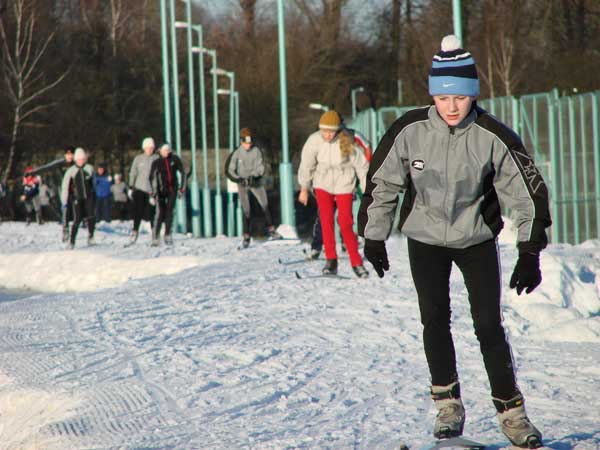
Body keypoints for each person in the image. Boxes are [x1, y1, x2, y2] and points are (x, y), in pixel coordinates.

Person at [358, 35, 551, 448]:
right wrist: (374, 237)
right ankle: (448, 406)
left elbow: (526, 192)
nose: (451, 105)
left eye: (460, 97)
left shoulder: (492, 135)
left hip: (475, 238)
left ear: (472, 95)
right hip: (425, 239)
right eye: (443, 96)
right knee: (435, 319)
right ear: (432, 93)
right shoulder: (408, 131)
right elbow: (382, 183)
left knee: (487, 324)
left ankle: (512, 413)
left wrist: (529, 251)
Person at [298, 111, 370, 278]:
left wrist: (367, 190)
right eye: (324, 131)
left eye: (331, 132)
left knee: (345, 223)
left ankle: (356, 262)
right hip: (322, 183)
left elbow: (362, 166)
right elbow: (306, 164)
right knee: (326, 220)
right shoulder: (314, 140)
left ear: (338, 130)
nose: (327, 135)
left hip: (344, 183)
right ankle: (331, 261)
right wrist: (304, 188)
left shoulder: (346, 141)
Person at [307, 125, 373, 260]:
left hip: (346, 184)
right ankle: (317, 247)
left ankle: (348, 245)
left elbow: (367, 147)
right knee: (325, 217)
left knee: (345, 218)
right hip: (328, 185)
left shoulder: (351, 135)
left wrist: (365, 165)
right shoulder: (323, 141)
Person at [225, 127, 280, 248]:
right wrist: (238, 179)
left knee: (265, 204)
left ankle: (271, 229)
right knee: (246, 209)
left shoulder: (256, 151)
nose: (248, 145)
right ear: (241, 141)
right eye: (245, 143)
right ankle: (246, 235)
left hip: (255, 183)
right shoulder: (237, 153)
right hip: (242, 184)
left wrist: (254, 177)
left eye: (249, 143)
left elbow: (261, 167)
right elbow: (229, 170)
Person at [149, 143, 186, 246]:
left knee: (169, 211)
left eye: (168, 150)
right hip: (160, 190)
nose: (166, 152)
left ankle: (168, 234)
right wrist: (152, 193)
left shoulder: (174, 159)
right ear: (160, 151)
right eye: (164, 150)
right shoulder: (156, 162)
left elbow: (183, 173)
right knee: (161, 212)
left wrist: (181, 189)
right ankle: (156, 236)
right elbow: (151, 177)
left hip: (172, 189)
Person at [61, 148, 96, 249]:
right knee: (77, 219)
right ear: (75, 160)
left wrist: (94, 194)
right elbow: (65, 187)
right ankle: (72, 241)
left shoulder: (89, 168)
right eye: (79, 159)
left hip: (88, 197)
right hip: (77, 198)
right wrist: (65, 200)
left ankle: (91, 236)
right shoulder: (71, 171)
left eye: (83, 159)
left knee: (91, 216)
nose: (81, 161)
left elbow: (93, 182)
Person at [128, 137, 159, 244]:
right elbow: (133, 172)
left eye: (151, 148)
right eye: (147, 148)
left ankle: (155, 234)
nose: (149, 150)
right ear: (144, 148)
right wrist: (131, 186)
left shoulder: (156, 158)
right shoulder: (138, 158)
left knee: (152, 213)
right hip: (139, 188)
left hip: (152, 190)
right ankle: (135, 231)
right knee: (138, 211)